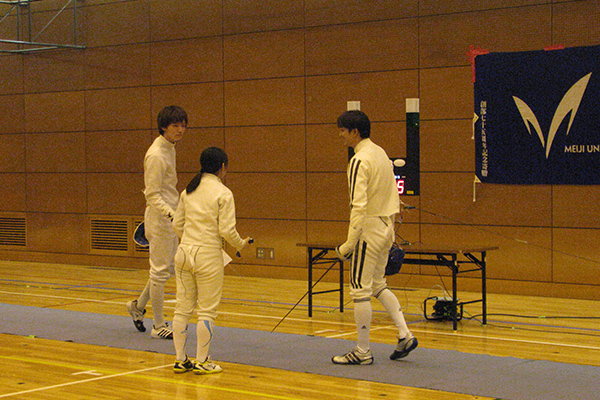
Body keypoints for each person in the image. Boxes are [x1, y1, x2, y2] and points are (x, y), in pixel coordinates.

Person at [332, 110, 418, 365]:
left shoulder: (359, 160)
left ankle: (363, 351)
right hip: (386, 228)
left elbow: (358, 206)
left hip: (368, 231)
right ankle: (405, 335)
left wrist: (349, 244)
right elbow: (392, 194)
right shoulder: (380, 153)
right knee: (378, 284)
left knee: (360, 290)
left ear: (355, 132)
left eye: (343, 130)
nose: (340, 135)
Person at [171, 147, 251, 374]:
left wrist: (190, 240)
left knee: (182, 309)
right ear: (223, 167)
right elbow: (226, 230)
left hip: (183, 253)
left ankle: (180, 360)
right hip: (208, 256)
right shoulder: (223, 193)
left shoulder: (188, 191)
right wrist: (240, 244)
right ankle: (203, 361)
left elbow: (177, 225)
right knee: (206, 311)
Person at [126, 105, 188, 340]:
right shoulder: (156, 155)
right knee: (160, 272)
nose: (180, 130)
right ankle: (159, 325)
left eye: (183, 126)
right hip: (161, 219)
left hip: (170, 218)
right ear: (164, 127)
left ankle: (138, 307)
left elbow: (168, 190)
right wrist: (172, 215)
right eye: (175, 126)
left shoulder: (169, 148)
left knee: (166, 269)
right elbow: (152, 194)